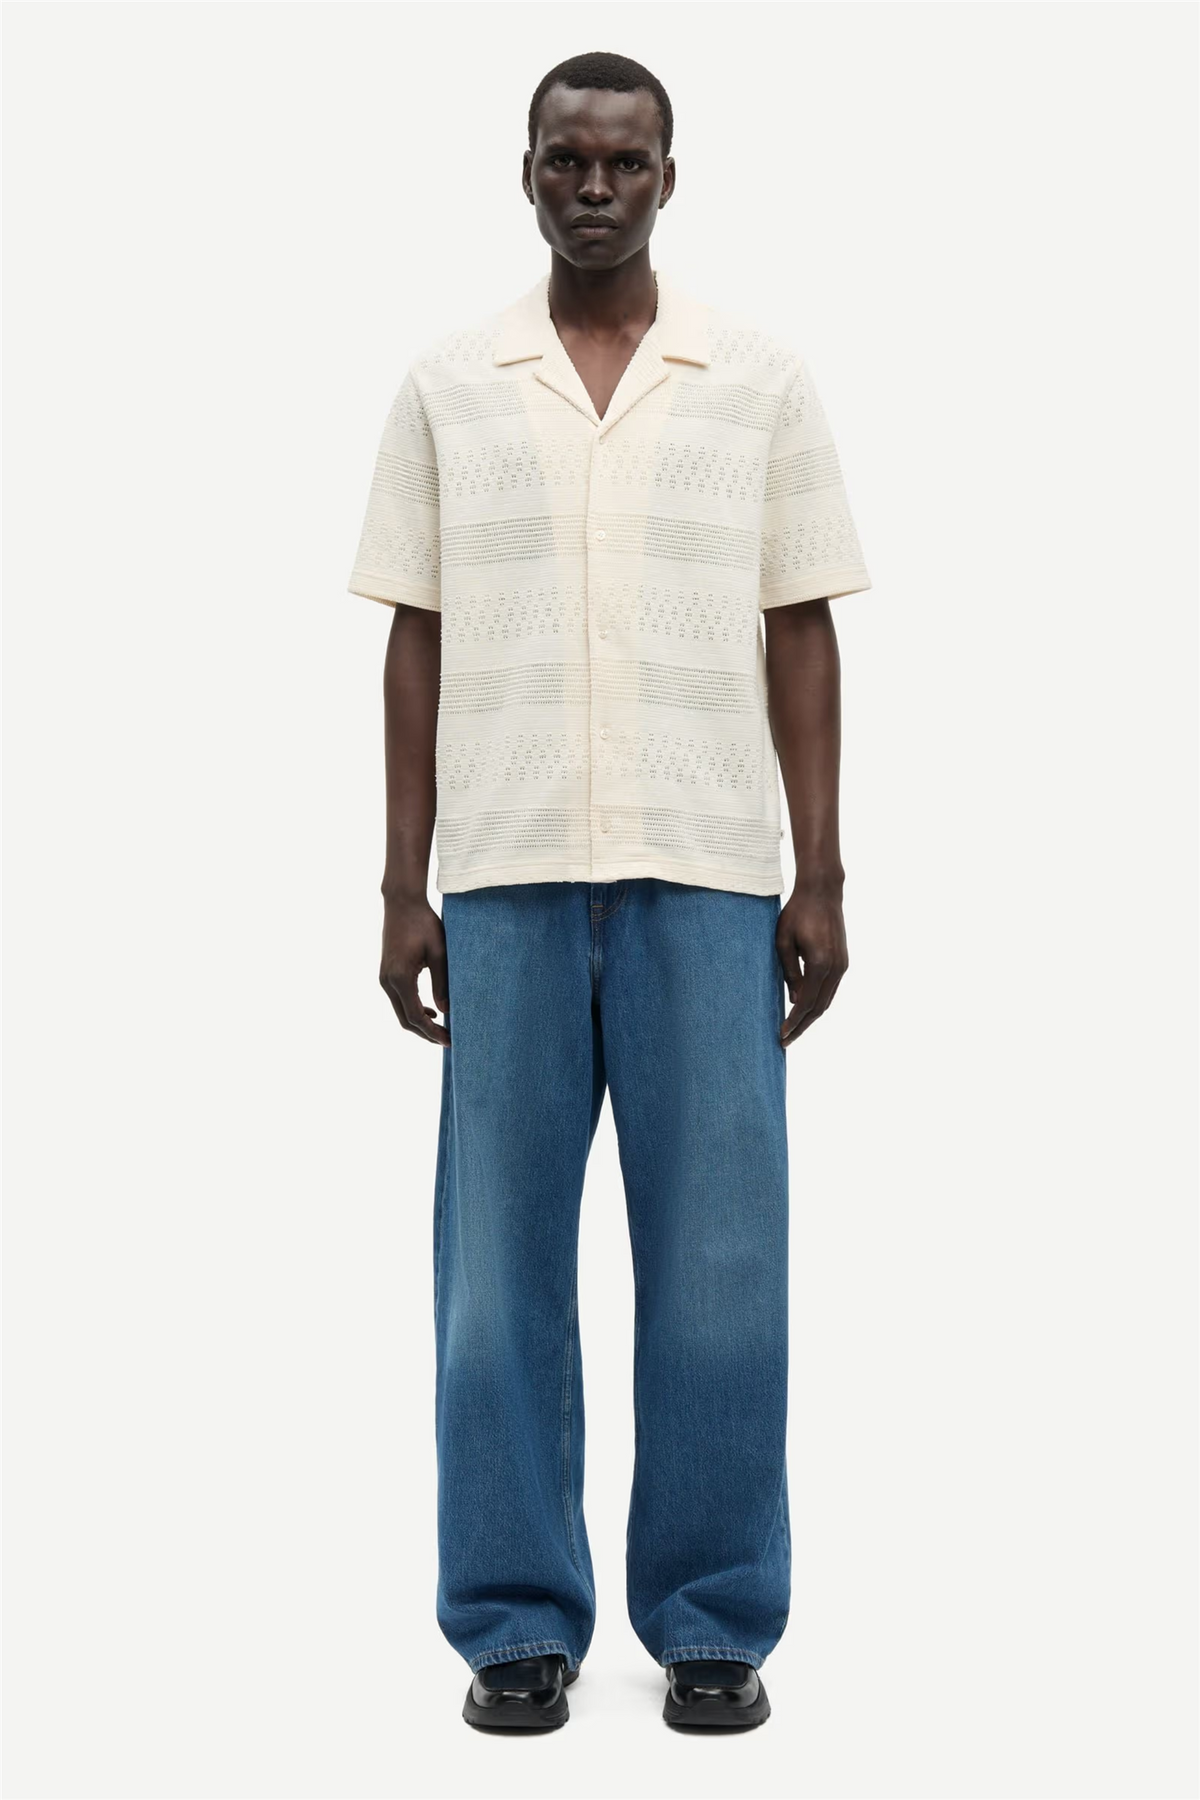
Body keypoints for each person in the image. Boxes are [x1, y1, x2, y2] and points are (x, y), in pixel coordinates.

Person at [346, 50, 872, 1734]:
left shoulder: (756, 380)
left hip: (708, 874)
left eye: (622, 161)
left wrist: (819, 874)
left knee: (720, 1262)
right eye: (565, 159)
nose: (593, 186)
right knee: (495, 1270)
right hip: (502, 877)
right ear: (525, 173)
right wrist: (402, 883)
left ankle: (713, 1617)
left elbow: (802, 624)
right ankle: (514, 1619)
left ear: (667, 176)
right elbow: (415, 635)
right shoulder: (451, 384)